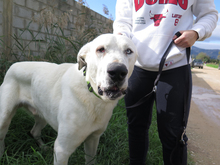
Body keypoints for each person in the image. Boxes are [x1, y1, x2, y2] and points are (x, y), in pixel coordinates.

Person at [113, 0, 218, 165]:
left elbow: (210, 14)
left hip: (175, 65)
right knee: (136, 127)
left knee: (173, 133)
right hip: (137, 66)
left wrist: (196, 32)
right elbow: (123, 21)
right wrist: (121, 39)